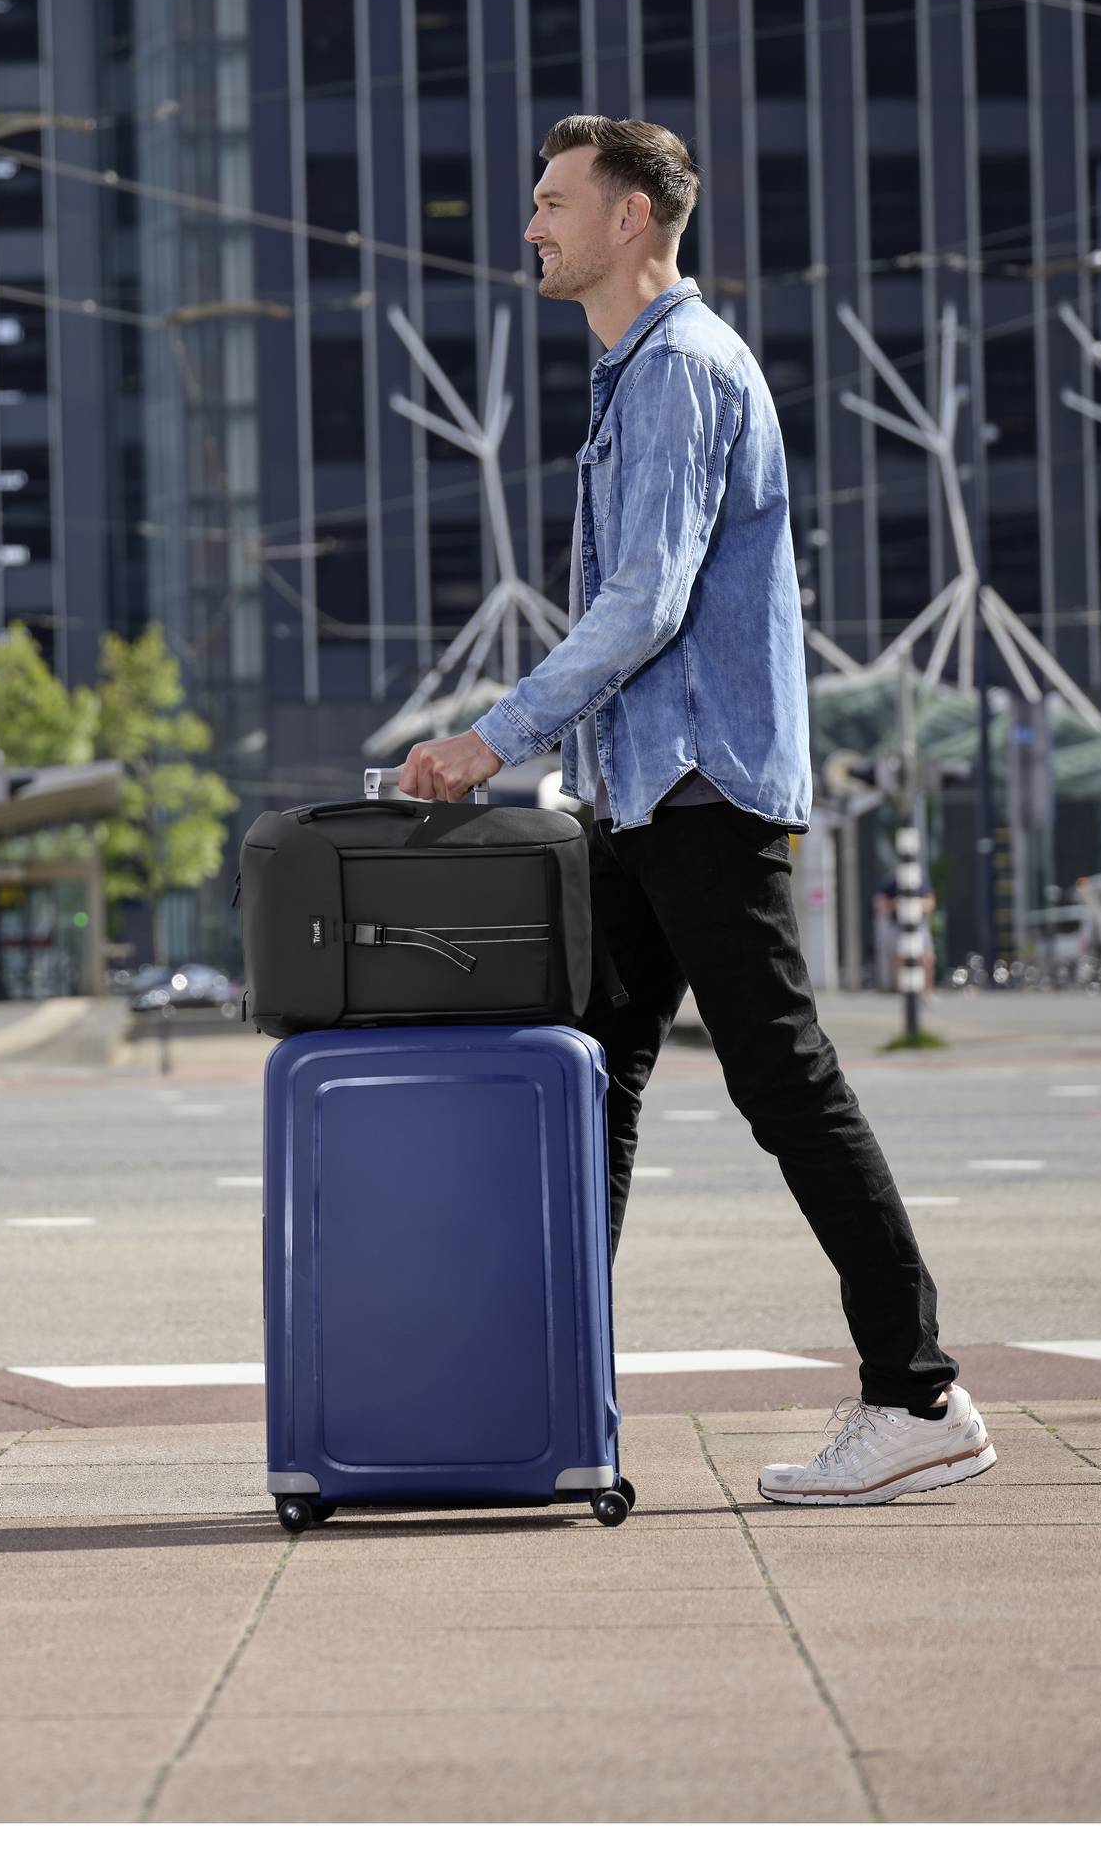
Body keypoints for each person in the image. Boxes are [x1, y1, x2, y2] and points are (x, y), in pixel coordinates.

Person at [394, 115, 991, 1509]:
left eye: (551, 202)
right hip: (646, 790)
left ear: (632, 220)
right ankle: (544, 1395)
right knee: (591, 1077)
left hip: (700, 786)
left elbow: (647, 602)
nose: (529, 227)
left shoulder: (676, 372)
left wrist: (494, 738)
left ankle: (920, 1395)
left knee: (780, 1078)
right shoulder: (632, 378)